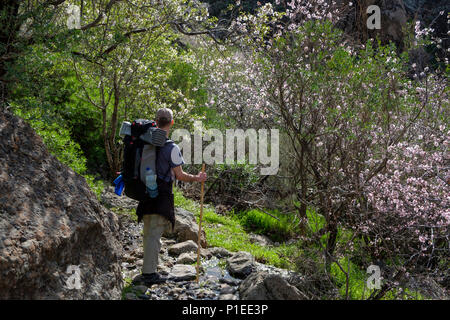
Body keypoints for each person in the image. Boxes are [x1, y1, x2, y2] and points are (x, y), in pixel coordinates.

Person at [134, 108, 207, 286]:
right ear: (172, 123)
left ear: (156, 121)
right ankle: (149, 274)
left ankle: (150, 268)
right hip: (161, 194)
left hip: (144, 191)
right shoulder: (171, 147)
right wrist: (197, 178)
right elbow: (179, 175)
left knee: (150, 232)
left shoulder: (144, 142)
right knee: (153, 234)